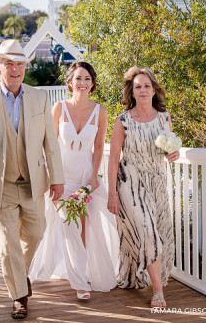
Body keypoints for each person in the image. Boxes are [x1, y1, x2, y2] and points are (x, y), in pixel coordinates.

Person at [0, 39, 65, 319]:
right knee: (7, 242)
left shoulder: (39, 98)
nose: (16, 69)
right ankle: (19, 296)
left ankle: (19, 277)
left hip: (34, 182)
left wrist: (57, 178)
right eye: (9, 63)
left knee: (35, 233)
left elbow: (51, 143)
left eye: (20, 63)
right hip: (1, 185)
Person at [29, 62, 119, 299]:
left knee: (83, 227)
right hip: (62, 177)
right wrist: (51, 177)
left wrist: (93, 176)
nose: (82, 83)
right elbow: (49, 145)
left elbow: (99, 146)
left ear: (93, 83)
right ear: (70, 82)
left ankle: (83, 271)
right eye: (78, 78)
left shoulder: (100, 111)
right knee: (69, 225)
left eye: (87, 78)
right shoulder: (59, 108)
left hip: (86, 177)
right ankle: (80, 283)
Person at [107, 67, 178, 308]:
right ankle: (158, 292)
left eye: (147, 85)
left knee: (156, 231)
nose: (143, 90)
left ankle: (135, 276)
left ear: (154, 89)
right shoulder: (123, 120)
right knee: (148, 230)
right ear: (132, 91)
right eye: (138, 86)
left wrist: (173, 153)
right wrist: (112, 194)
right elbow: (113, 159)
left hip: (157, 181)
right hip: (130, 182)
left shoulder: (164, 117)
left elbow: (169, 147)